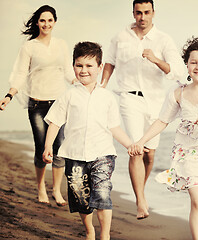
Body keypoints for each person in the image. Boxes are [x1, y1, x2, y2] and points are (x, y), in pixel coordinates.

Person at [128, 37, 198, 240]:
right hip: (188, 153)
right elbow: (162, 121)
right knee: (197, 201)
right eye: (194, 62)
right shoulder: (178, 93)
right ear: (186, 64)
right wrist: (141, 141)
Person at [101, 0, 184, 219]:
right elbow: (109, 62)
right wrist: (102, 86)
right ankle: (140, 200)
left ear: (153, 13)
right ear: (133, 13)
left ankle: (141, 189)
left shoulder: (163, 39)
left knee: (149, 154)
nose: (142, 17)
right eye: (138, 13)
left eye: (147, 12)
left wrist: (155, 59)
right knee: (136, 148)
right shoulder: (120, 37)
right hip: (129, 98)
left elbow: (176, 71)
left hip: (156, 102)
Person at [43, 42, 133, 240]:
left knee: (102, 193)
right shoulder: (68, 95)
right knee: (81, 198)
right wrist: (48, 145)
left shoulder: (107, 98)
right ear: (73, 67)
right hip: (74, 154)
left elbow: (115, 127)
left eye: (89, 65)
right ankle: (89, 230)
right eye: (79, 65)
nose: (84, 70)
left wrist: (130, 145)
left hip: (102, 153)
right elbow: (55, 123)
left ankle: (105, 235)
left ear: (100, 68)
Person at [0, 5, 75, 206]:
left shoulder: (61, 45)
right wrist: (9, 94)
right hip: (37, 105)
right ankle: (41, 186)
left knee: (60, 148)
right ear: (37, 22)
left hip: (59, 104)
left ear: (55, 22)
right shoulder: (30, 47)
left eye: (50, 20)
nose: (46, 24)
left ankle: (56, 190)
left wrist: (82, 83)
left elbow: (68, 72)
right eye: (43, 20)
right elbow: (20, 73)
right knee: (42, 147)